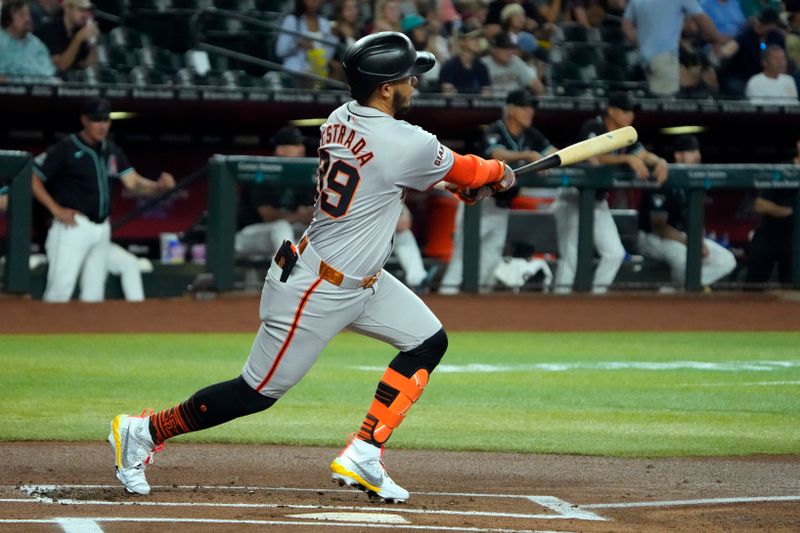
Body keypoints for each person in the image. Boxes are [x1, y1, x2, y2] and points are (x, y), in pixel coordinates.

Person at [107, 31, 515, 503]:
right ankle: (144, 431)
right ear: (385, 88)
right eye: (408, 77)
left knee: (427, 341)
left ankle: (365, 450)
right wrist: (496, 174)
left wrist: (454, 185)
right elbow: (471, 170)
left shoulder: (341, 118)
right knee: (253, 393)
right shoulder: (408, 140)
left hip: (362, 280)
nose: (414, 84)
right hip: (317, 289)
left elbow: (394, 178)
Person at [31, 97, 175, 303]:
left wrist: (158, 187)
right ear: (84, 120)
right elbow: (32, 178)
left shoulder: (111, 150)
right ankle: (42, 333)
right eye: (96, 120)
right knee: (59, 292)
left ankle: (84, 335)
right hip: (73, 227)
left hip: (101, 229)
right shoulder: (67, 147)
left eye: (105, 120)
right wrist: (55, 209)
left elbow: (133, 183)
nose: (101, 126)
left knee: (94, 295)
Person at [440, 88, 554, 294]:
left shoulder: (532, 135)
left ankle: (477, 310)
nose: (530, 112)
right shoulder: (494, 130)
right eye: (524, 107)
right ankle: (447, 299)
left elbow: (553, 152)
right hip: (478, 204)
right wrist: (528, 155)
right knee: (463, 256)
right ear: (510, 109)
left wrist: (558, 157)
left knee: (491, 258)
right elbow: (496, 153)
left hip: (502, 207)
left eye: (531, 107)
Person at [553, 92, 669, 294]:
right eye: (625, 110)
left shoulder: (626, 134)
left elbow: (643, 155)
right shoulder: (593, 127)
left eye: (632, 111)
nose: (630, 115)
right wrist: (626, 160)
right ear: (611, 110)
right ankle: (557, 303)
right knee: (571, 255)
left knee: (614, 253)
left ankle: (594, 298)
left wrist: (660, 161)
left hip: (597, 200)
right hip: (573, 195)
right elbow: (593, 156)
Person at [637, 135, 737, 289]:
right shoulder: (664, 178)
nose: (697, 156)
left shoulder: (692, 181)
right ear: (678, 155)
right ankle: (685, 291)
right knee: (685, 259)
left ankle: (680, 290)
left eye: (697, 151)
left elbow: (693, 220)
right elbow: (659, 227)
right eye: (691, 151)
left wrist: (699, 241)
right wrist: (692, 244)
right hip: (652, 238)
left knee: (727, 259)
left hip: (681, 236)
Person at [235, 126, 315, 259]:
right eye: (295, 145)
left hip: (283, 232)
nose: (302, 148)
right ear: (280, 150)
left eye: (301, 144)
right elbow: (268, 216)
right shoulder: (262, 172)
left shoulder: (301, 177)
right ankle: (284, 273)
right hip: (247, 236)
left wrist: (298, 217)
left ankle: (314, 276)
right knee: (281, 227)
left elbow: (308, 214)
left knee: (313, 232)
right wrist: (298, 216)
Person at [623, 0, 728, 96]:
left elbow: (626, 26)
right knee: (664, 105)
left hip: (644, 58)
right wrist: (717, 38)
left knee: (652, 102)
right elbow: (702, 20)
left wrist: (643, 44)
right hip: (664, 57)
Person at [745, 134, 799, 285]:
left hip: (794, 241)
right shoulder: (782, 170)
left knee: (791, 288)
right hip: (769, 235)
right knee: (753, 287)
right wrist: (790, 212)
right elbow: (760, 204)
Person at [275, 0, 336, 85]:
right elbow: (280, 51)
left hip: (319, 71)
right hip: (296, 73)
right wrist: (297, 43)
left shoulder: (324, 23)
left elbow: (329, 51)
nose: (313, 2)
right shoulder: (292, 20)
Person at [34, 0, 99, 74]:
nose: (86, 15)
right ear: (67, 9)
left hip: (72, 82)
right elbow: (60, 66)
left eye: (88, 11)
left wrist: (93, 41)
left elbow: (86, 64)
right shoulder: (50, 29)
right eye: (81, 9)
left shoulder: (78, 29)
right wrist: (78, 39)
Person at [0, 0, 57, 82]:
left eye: (28, 14)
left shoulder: (36, 43)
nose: (27, 19)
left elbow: (49, 72)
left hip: (42, 90)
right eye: (21, 15)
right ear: (8, 19)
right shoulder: (1, 43)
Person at [482, 31, 545, 96]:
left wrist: (539, 104)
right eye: (505, 48)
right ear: (493, 49)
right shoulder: (482, 64)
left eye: (512, 48)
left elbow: (537, 87)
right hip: (493, 104)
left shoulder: (515, 60)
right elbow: (483, 96)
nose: (510, 52)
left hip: (516, 103)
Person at [439, 24, 492, 95]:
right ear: (462, 42)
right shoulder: (449, 66)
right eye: (473, 38)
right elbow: (448, 95)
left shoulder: (481, 67)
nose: (478, 41)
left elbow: (487, 94)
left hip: (478, 105)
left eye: (479, 38)